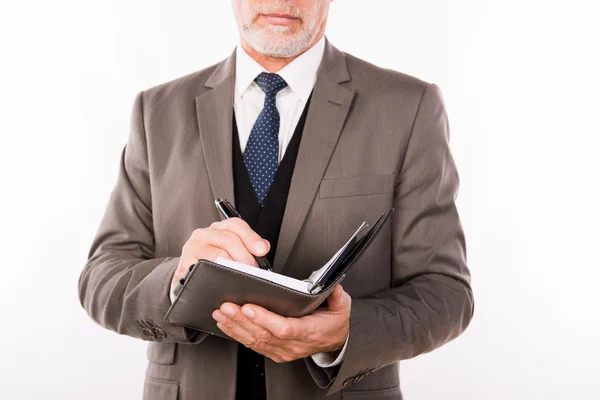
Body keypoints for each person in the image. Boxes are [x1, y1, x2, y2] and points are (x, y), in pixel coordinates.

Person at [78, 0, 474, 399]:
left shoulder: (407, 107)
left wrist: (346, 333)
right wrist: (178, 280)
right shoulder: (157, 111)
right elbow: (101, 278)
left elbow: (447, 292)